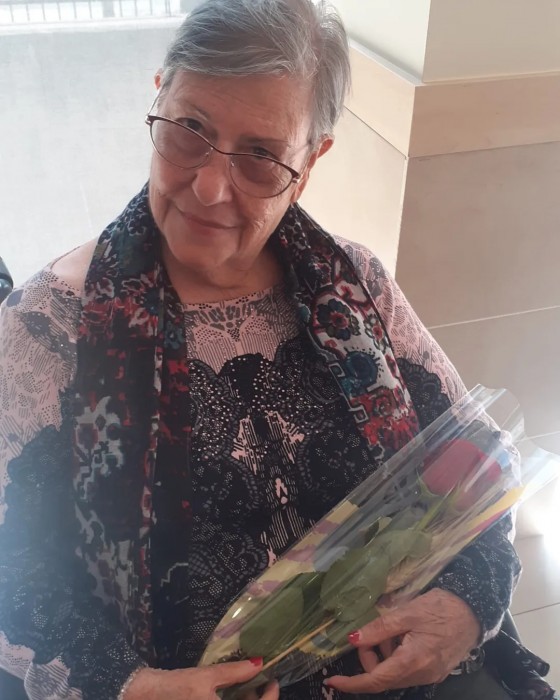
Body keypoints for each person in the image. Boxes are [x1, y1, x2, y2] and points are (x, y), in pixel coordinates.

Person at [0, 1, 554, 699]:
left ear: (311, 161)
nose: (209, 187)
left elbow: (478, 459)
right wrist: (128, 685)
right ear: (159, 98)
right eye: (189, 130)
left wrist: (469, 606)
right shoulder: (44, 333)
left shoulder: (359, 289)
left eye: (261, 156)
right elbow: (17, 581)